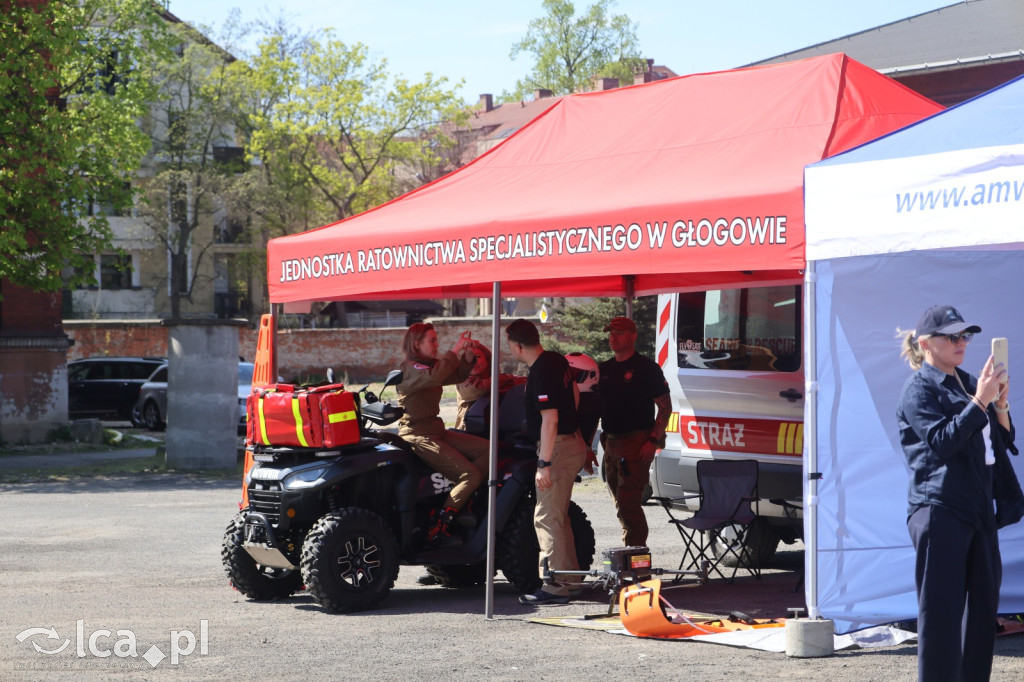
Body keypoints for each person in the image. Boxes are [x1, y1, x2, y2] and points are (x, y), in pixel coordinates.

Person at [896, 304, 1024, 682]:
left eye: (965, 335)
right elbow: (943, 442)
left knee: (983, 612)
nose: (961, 343)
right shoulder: (918, 388)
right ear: (926, 344)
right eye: (951, 336)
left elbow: (1000, 441)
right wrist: (980, 401)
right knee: (941, 614)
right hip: (939, 507)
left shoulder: (967, 381)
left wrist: (999, 404)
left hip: (977, 506)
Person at [506, 318, 586, 605]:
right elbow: (575, 392)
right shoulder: (555, 359)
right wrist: (570, 421)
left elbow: (550, 420)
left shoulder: (540, 372)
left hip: (559, 447)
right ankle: (571, 580)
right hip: (571, 441)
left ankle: (554, 586)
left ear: (516, 346)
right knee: (558, 516)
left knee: (546, 517)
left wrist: (544, 462)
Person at [396, 322, 490, 547]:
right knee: (471, 475)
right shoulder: (410, 369)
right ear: (417, 343)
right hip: (418, 434)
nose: (437, 344)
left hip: (436, 430)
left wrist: (467, 355)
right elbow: (436, 377)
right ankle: (440, 525)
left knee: (489, 449)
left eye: (437, 340)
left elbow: (455, 375)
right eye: (432, 340)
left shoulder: (428, 365)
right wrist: (455, 349)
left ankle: (463, 500)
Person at [597, 316, 671, 547]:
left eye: (619, 333)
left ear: (633, 336)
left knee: (629, 503)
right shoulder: (605, 369)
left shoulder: (646, 369)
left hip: (636, 441)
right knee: (620, 503)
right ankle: (630, 556)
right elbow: (594, 409)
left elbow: (665, 407)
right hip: (610, 441)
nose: (613, 338)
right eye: (610, 333)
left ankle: (637, 561)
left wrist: (652, 440)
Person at [453, 342, 491, 430]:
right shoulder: (462, 380)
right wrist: (501, 380)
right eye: (469, 358)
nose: (473, 361)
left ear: (488, 359)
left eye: (477, 357)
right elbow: (476, 389)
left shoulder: (496, 377)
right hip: (467, 430)